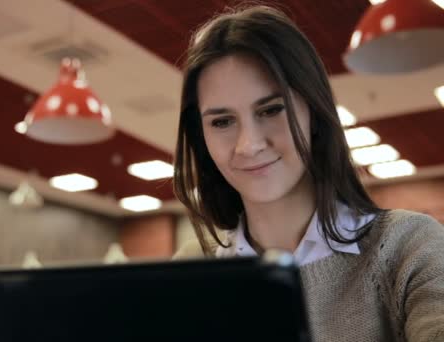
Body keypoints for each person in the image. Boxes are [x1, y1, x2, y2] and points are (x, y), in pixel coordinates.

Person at [172, 5, 444, 342]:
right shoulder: (192, 268)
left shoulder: (408, 246)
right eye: (222, 121)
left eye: (271, 110)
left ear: (313, 111)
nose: (249, 145)